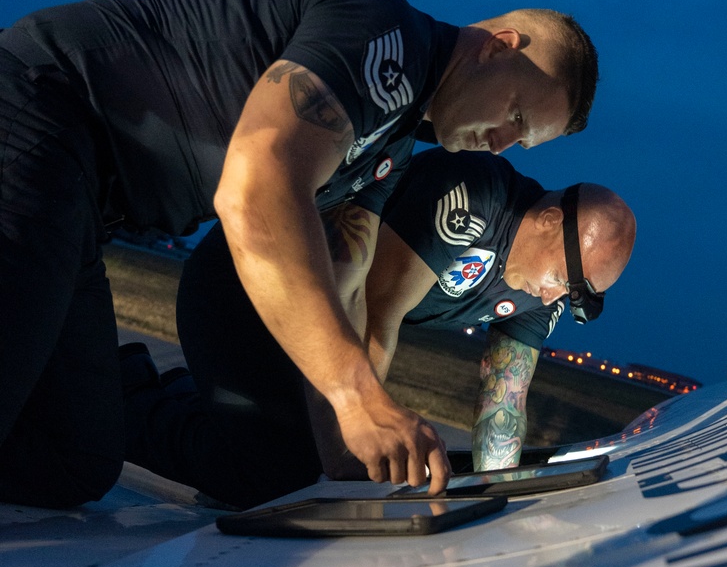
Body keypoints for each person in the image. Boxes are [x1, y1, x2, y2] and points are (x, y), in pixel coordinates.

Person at [0, 0, 597, 507]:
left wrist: (339, 449)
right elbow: (256, 192)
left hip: (81, 213)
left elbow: (348, 286)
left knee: (75, 463)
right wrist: (355, 396)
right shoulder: (386, 35)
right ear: (498, 46)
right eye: (517, 116)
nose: (500, 143)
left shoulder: (388, 145)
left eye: (520, 142)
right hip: (38, 118)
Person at [122, 149, 635, 507]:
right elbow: (373, 318)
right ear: (548, 220)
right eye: (563, 280)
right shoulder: (475, 196)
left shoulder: (540, 296)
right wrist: (348, 454)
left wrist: (492, 496)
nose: (553, 298)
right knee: (273, 481)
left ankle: (174, 395)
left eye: (572, 299)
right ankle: (116, 397)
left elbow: (505, 400)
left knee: (287, 465)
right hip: (247, 289)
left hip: (313, 333)